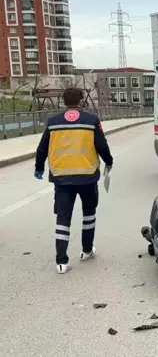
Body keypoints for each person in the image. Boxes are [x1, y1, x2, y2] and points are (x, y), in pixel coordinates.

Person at [34, 88, 114, 274]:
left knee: (63, 218)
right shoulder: (91, 120)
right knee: (89, 214)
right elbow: (101, 145)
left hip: (62, 179)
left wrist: (39, 168)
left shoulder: (53, 122)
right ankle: (86, 251)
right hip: (87, 177)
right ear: (81, 101)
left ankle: (61, 262)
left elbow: (42, 148)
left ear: (63, 102)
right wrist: (109, 162)